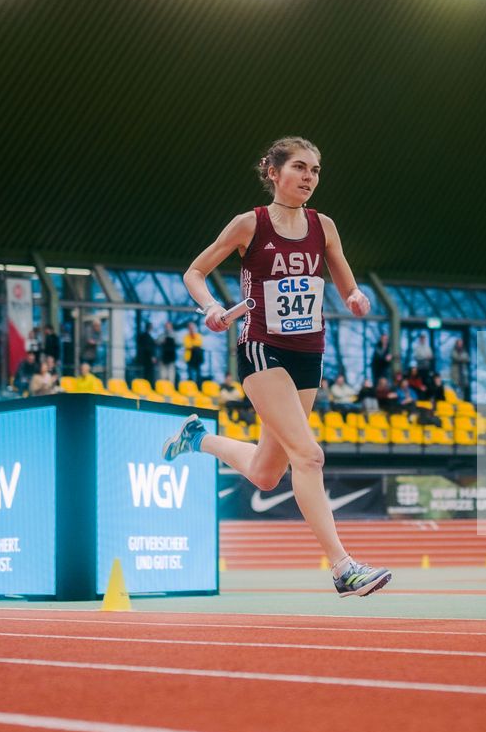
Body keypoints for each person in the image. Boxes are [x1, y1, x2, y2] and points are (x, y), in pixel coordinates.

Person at [165, 136, 391, 596]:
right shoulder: (250, 224)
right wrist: (210, 308)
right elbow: (195, 272)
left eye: (316, 171)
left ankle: (197, 438)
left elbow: (345, 281)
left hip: (309, 352)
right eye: (300, 168)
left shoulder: (323, 226)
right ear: (274, 172)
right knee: (308, 455)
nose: (309, 178)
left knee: (267, 473)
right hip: (261, 347)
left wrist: (355, 297)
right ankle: (343, 568)